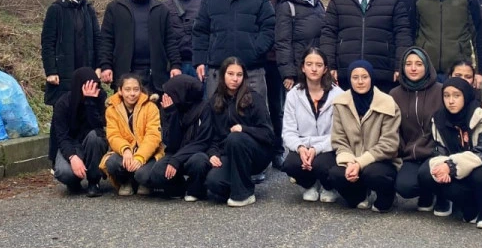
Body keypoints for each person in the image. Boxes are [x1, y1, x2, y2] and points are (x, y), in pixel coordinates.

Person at [422, 77, 482, 229]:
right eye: (446, 96)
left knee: (481, 174)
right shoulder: (439, 118)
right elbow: (439, 150)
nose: (451, 101)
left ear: (466, 95)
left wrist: (450, 166)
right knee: (427, 172)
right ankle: (469, 205)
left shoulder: (481, 116)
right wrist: (441, 167)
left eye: (456, 96)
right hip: (460, 170)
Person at [321, 0, 411, 88]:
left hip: (382, 71)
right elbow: (329, 32)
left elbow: (402, 33)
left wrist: (400, 65)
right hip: (347, 71)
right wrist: (330, 64)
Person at [192, 0, 275, 99]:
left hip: (252, 70)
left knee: (255, 115)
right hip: (218, 70)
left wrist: (255, 51)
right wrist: (199, 60)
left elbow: (269, 27)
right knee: (217, 115)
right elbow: (200, 31)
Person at [325, 61, 401, 212]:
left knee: (373, 174)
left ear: (371, 78)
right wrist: (349, 162)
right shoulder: (341, 102)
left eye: (364, 77)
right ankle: (360, 195)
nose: (360, 81)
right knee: (335, 174)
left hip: (381, 161)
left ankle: (387, 196)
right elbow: (339, 139)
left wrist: (360, 163)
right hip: (351, 158)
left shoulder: (387, 103)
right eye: (355, 77)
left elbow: (389, 144)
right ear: (350, 79)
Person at [203, 57, 274, 207]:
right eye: (230, 74)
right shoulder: (214, 100)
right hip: (229, 153)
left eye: (239, 75)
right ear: (223, 75)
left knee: (235, 138)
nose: (235, 79)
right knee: (213, 182)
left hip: (257, 153)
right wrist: (213, 153)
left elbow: (268, 134)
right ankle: (240, 182)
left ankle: (244, 193)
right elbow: (211, 136)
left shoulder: (254, 98)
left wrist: (244, 129)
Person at [98, 0, 179, 97]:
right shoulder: (115, 8)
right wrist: (106, 66)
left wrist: (175, 65)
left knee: (152, 115)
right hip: (125, 72)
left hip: (154, 76)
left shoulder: (161, 9)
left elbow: (170, 41)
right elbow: (106, 40)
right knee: (125, 115)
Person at [280, 48, 343, 202]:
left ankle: (329, 187)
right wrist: (300, 148)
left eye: (319, 65)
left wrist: (316, 149)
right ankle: (309, 185)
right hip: (303, 145)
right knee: (289, 164)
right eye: (309, 64)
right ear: (303, 67)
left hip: (327, 147)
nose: (314, 69)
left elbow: (339, 133)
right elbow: (288, 131)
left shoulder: (338, 95)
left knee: (322, 165)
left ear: (325, 69)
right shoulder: (293, 94)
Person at [140, 74, 210, 200]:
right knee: (157, 174)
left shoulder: (204, 108)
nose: (166, 97)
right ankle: (179, 188)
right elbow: (171, 143)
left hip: (195, 152)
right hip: (175, 152)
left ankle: (196, 189)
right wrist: (172, 114)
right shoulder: (169, 107)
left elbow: (203, 141)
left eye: (171, 93)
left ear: (182, 93)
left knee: (199, 162)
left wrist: (177, 159)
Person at [390, 47, 443, 212]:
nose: (413, 68)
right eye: (408, 64)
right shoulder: (395, 94)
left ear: (427, 66)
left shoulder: (440, 91)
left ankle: (436, 194)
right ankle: (425, 192)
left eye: (418, 64)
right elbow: (392, 128)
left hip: (434, 153)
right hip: (410, 155)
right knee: (404, 187)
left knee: (427, 174)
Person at [40, 0, 100, 107]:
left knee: (86, 111)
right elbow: (48, 42)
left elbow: (98, 39)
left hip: (86, 68)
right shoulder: (55, 9)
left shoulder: (88, 9)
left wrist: (99, 66)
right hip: (63, 72)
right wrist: (51, 71)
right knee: (63, 111)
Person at [50, 67, 109, 196]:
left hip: (92, 142)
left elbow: (100, 128)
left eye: (95, 86)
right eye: (88, 86)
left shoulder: (101, 97)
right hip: (71, 143)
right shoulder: (63, 103)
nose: (93, 90)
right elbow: (62, 137)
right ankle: (74, 182)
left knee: (96, 136)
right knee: (64, 173)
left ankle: (94, 181)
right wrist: (72, 157)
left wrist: (90, 102)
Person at [101, 74, 163, 196]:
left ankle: (143, 182)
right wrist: (126, 150)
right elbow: (113, 135)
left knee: (143, 175)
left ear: (141, 90)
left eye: (136, 89)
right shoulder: (111, 109)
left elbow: (153, 136)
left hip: (147, 154)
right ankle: (126, 182)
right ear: (120, 91)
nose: (132, 93)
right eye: (127, 89)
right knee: (112, 162)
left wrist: (140, 156)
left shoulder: (150, 107)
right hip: (125, 154)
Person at [255, 0, 288, 168]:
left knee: (277, 108)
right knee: (256, 106)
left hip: (278, 61)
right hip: (257, 60)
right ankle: (259, 149)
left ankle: (278, 149)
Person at [276, 0, 327, 90]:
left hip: (317, 67)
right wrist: (288, 73)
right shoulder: (287, 6)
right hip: (299, 69)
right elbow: (283, 41)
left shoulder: (319, 4)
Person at [167, 0, 204, 78]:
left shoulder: (206, 2)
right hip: (176, 65)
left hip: (200, 65)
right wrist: (174, 65)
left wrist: (203, 61)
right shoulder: (166, 6)